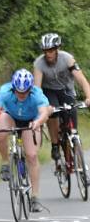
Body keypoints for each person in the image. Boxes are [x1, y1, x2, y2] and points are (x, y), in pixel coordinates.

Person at [0, 68, 51, 213]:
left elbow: (44, 113)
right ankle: (5, 163)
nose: (21, 95)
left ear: (30, 89)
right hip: (11, 117)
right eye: (18, 92)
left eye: (25, 92)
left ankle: (35, 197)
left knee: (32, 156)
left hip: (31, 121)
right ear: (13, 88)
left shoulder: (36, 94)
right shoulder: (5, 91)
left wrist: (38, 123)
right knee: (0, 131)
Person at [33, 33, 90, 163]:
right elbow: (37, 89)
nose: (48, 54)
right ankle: (54, 145)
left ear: (57, 49)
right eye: (46, 51)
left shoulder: (68, 59)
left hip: (66, 90)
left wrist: (88, 97)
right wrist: (43, 106)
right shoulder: (39, 64)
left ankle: (74, 144)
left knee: (72, 118)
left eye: (51, 50)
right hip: (49, 92)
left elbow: (82, 80)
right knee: (52, 113)